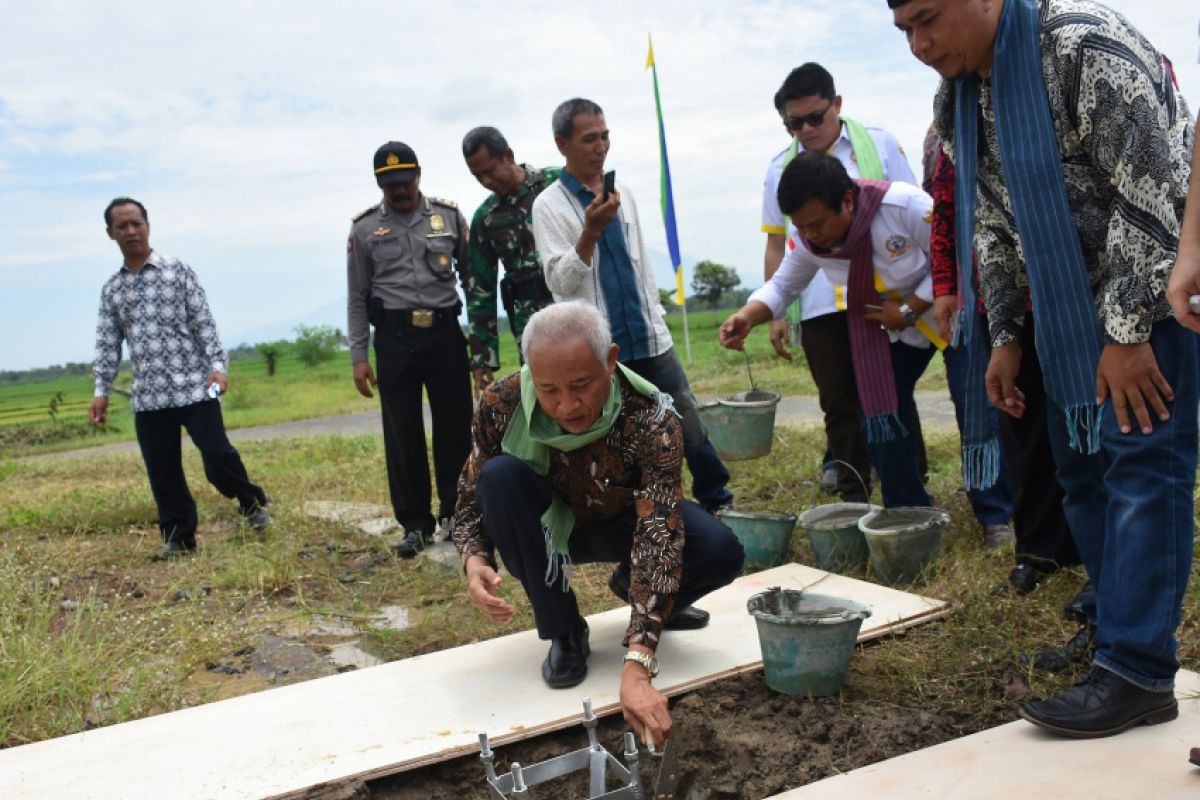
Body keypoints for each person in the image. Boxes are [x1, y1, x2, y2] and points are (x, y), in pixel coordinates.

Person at [892, 0, 1196, 737]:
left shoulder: (1082, 45)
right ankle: (1110, 628)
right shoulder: (961, 94)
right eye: (904, 30)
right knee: (1081, 471)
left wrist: (1125, 334)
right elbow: (993, 221)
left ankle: (1138, 670)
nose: (920, 44)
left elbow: (1154, 185)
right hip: (1067, 312)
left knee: (1143, 466)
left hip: (1158, 291)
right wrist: (1003, 336)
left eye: (928, 19)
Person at [451, 301, 744, 747]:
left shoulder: (652, 415)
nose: (567, 405)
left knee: (721, 551)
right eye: (548, 390)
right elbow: (471, 494)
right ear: (530, 371)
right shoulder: (501, 403)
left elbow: (659, 533)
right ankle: (565, 631)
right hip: (548, 532)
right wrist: (474, 560)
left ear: (610, 360)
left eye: (582, 385)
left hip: (625, 524)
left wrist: (638, 665)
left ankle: (647, 599)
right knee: (498, 478)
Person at [531, 97, 733, 515]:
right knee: (619, 436)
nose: (601, 147)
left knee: (686, 419)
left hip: (647, 332)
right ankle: (642, 511)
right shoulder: (548, 206)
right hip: (599, 346)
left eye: (605, 136)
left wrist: (656, 315)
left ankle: (718, 499)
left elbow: (641, 265)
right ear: (561, 144)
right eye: (589, 139)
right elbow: (559, 283)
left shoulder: (624, 193)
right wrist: (589, 233)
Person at [721, 152, 943, 509]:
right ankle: (908, 509)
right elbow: (782, 286)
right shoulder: (808, 238)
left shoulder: (905, 206)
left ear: (848, 201)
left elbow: (953, 259)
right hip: (893, 329)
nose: (810, 235)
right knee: (882, 413)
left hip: (944, 310)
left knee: (974, 402)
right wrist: (747, 315)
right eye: (801, 226)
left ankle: (994, 512)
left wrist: (909, 308)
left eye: (817, 224)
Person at [763, 63, 926, 502]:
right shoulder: (781, 168)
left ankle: (909, 485)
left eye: (814, 117)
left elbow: (920, 221)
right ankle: (853, 491)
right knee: (839, 400)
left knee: (890, 394)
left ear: (837, 104)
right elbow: (780, 248)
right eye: (793, 124)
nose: (806, 129)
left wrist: (914, 304)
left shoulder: (879, 143)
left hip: (885, 295)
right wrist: (773, 314)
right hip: (821, 298)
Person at [89, 197, 270, 560]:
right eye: (121, 226)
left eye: (136, 223)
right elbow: (108, 345)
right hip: (150, 397)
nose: (130, 231)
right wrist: (101, 391)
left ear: (148, 226)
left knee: (218, 457)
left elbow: (204, 323)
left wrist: (218, 366)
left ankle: (251, 502)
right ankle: (179, 538)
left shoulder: (178, 271)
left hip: (196, 387)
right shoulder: (112, 290)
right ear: (110, 234)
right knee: (163, 470)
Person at [347, 141, 473, 557]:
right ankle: (415, 524)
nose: (398, 191)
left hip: (444, 334)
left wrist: (483, 341)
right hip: (395, 340)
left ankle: (459, 516)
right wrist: (359, 356)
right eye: (389, 185)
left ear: (418, 176)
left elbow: (475, 279)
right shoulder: (364, 230)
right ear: (379, 184)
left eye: (404, 182)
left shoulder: (449, 217)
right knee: (403, 432)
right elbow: (357, 297)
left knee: (456, 426)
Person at [461, 126, 560, 391]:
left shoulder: (557, 183)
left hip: (576, 303)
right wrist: (482, 359)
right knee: (544, 392)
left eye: (489, 170)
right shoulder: (486, 217)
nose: (485, 181)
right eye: (477, 175)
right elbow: (480, 290)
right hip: (530, 321)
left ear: (508, 155)